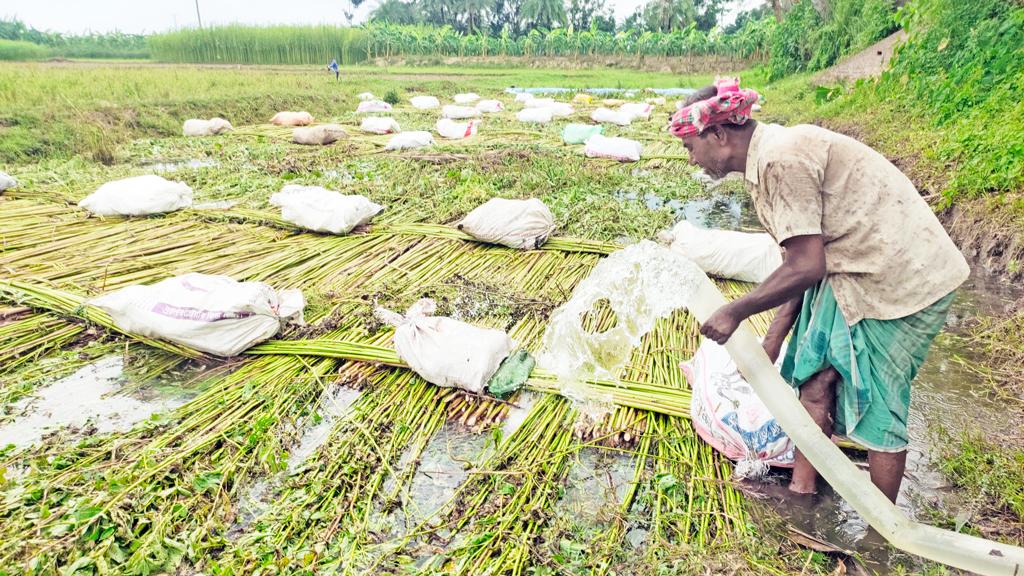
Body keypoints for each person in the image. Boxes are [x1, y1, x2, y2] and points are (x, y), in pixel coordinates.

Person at [671, 77, 969, 503]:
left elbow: (807, 266)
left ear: (718, 134)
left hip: (897, 276)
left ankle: (880, 536)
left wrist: (735, 311)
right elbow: (799, 259)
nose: (690, 159)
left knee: (878, 406)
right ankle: (802, 489)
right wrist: (773, 339)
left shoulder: (780, 160)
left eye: (689, 147)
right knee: (814, 380)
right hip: (850, 265)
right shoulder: (765, 162)